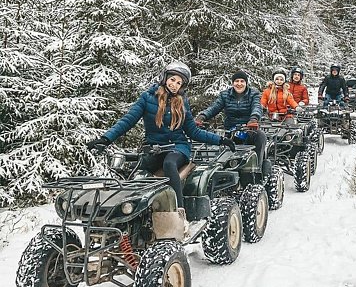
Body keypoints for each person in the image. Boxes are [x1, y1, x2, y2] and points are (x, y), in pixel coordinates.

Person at [86, 61, 236, 222]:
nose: (174, 85)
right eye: (172, 80)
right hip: (153, 148)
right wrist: (105, 139)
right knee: (135, 173)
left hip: (177, 148)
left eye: (179, 83)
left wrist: (221, 140)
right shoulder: (147, 98)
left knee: (169, 164)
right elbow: (128, 120)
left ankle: (179, 212)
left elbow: (193, 131)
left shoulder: (182, 103)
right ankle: (131, 216)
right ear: (165, 78)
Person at [195, 70, 268, 170]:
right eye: (236, 81)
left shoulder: (253, 94)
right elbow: (214, 108)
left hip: (249, 128)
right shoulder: (225, 95)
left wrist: (253, 119)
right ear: (233, 83)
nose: (239, 84)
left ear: (246, 83)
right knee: (217, 142)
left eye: (242, 81)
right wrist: (202, 116)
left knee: (260, 136)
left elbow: (257, 107)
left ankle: (257, 168)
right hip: (230, 129)